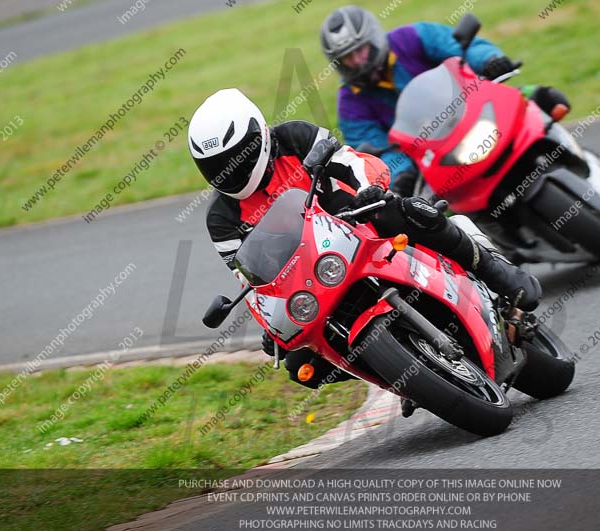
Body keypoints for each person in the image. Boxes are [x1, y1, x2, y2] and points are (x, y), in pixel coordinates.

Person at [187, 88, 541, 392]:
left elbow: (349, 162)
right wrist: (271, 322)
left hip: (354, 218)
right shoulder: (221, 219)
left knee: (411, 212)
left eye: (237, 159)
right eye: (217, 166)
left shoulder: (294, 136)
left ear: (259, 137)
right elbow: (250, 278)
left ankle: (493, 269)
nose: (229, 172)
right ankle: (403, 372)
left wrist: (366, 191)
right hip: (308, 275)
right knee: (299, 365)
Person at [320, 6, 571, 196]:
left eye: (359, 50)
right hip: (432, 159)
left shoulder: (412, 37)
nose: (357, 61)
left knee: (541, 99)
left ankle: (570, 153)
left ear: (373, 38)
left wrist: (490, 60)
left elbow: (462, 47)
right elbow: (373, 149)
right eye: (347, 58)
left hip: (476, 111)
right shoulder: (349, 103)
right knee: (433, 213)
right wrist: (399, 173)